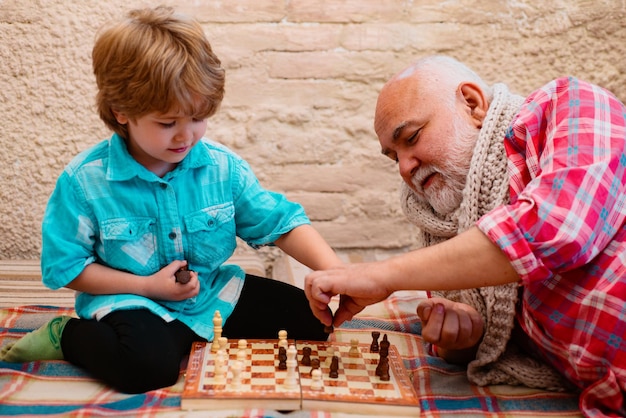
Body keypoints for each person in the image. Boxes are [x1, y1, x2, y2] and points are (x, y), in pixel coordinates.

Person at [0, 6, 342, 394]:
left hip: (210, 294)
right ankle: (68, 335)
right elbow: (64, 268)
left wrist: (337, 272)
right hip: (132, 301)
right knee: (146, 369)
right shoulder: (85, 182)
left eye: (198, 117)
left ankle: (184, 336)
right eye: (167, 123)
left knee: (315, 323)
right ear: (121, 112)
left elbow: (280, 223)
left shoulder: (222, 168)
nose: (187, 136)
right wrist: (148, 287)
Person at [304, 55, 626, 417]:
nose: (405, 167)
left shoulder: (571, 105)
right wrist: (464, 341)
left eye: (411, 137)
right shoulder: (445, 231)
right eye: (393, 157)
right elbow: (491, 339)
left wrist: (382, 274)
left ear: (472, 104)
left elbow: (557, 228)